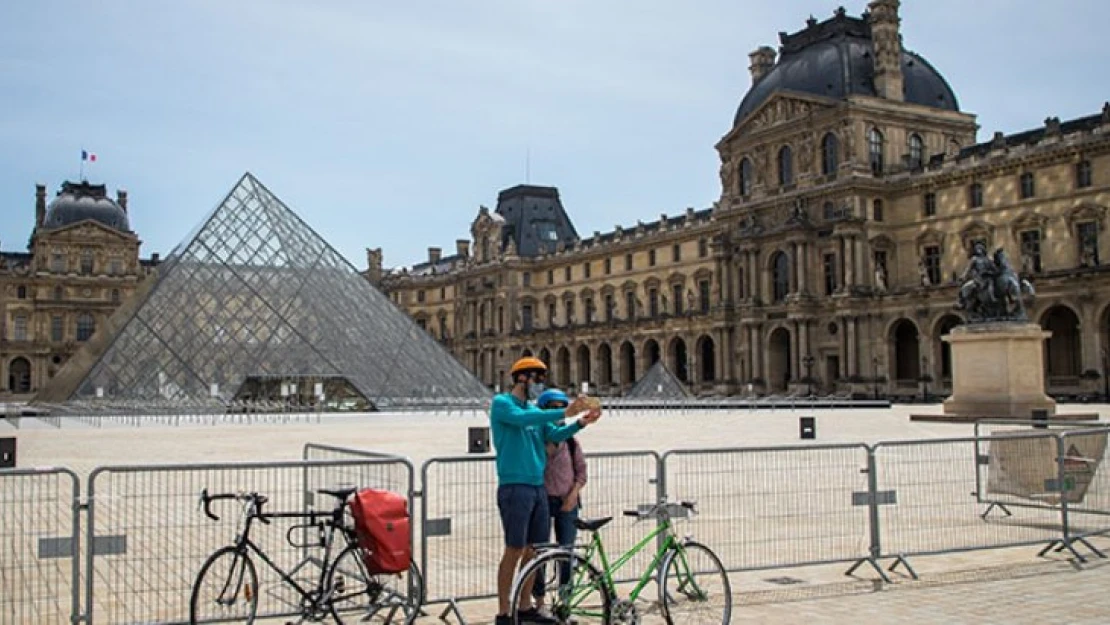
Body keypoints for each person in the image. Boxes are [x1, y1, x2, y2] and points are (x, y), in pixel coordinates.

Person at [491, 357, 600, 625]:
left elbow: (554, 435)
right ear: (521, 378)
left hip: (537, 486)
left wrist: (581, 423)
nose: (541, 386)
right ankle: (504, 611)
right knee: (514, 549)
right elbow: (522, 418)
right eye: (537, 379)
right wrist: (564, 412)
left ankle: (526, 606)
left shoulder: (533, 411)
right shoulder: (502, 404)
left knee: (534, 551)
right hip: (514, 486)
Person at [531, 389, 588, 610]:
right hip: (543, 502)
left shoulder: (572, 442)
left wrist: (573, 495)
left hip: (568, 502)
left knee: (566, 555)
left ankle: (565, 603)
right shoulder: (535, 442)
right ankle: (539, 602)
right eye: (553, 407)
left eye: (561, 407)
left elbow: (581, 472)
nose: (558, 411)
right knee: (540, 554)